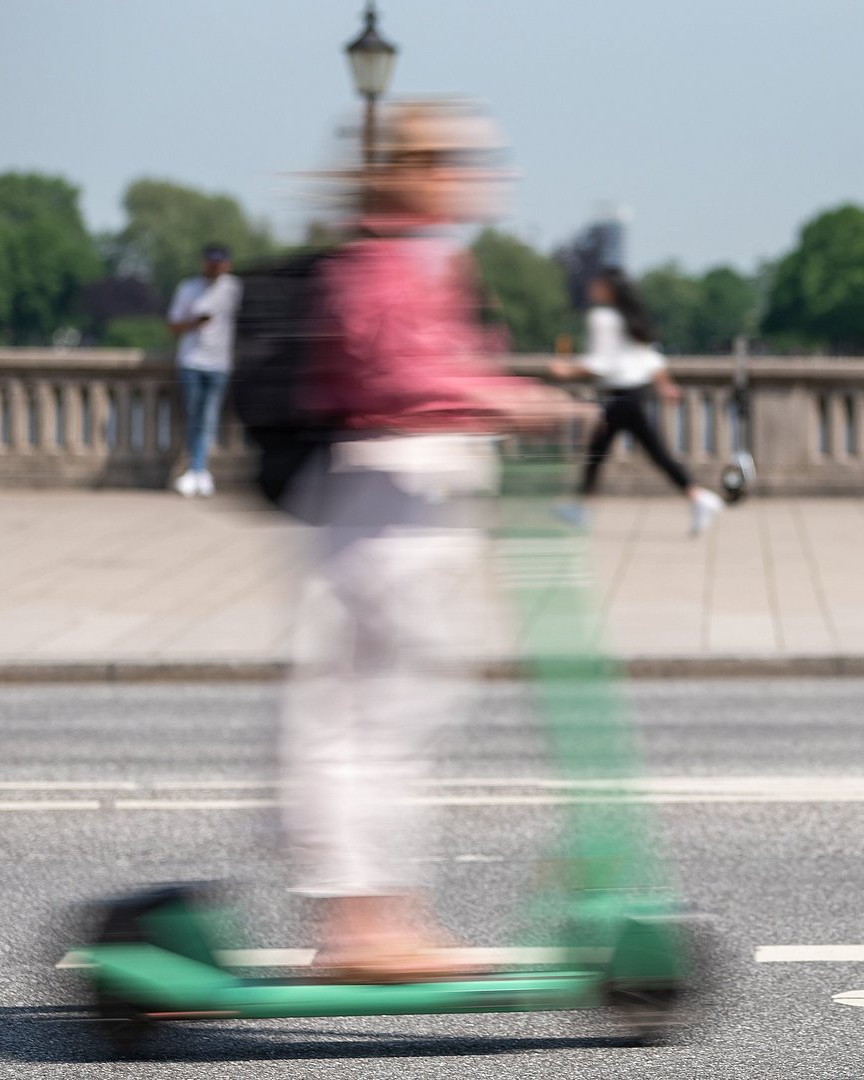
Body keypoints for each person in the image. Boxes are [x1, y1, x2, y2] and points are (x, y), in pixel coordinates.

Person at [280, 99, 588, 982]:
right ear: (424, 170)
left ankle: (371, 916)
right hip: (400, 500)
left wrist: (499, 388)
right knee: (390, 710)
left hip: (385, 498)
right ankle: (368, 925)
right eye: (469, 161)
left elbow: (397, 366)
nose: (487, 177)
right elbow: (399, 372)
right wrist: (508, 398)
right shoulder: (390, 263)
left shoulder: (384, 257)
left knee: (364, 710)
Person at [550, 268, 724, 536]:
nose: (590, 286)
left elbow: (602, 363)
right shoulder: (629, 317)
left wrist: (567, 370)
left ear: (608, 287)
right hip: (635, 394)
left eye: (596, 282)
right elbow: (650, 358)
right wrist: (665, 386)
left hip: (621, 395)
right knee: (651, 452)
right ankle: (696, 496)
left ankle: (582, 508)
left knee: (600, 451)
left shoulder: (603, 317)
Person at [165, 244, 242, 497]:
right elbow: (173, 325)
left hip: (220, 363)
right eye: (211, 262)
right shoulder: (188, 289)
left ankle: (198, 469)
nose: (215, 267)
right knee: (193, 417)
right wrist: (194, 324)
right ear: (204, 263)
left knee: (208, 419)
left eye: (219, 263)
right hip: (191, 362)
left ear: (226, 264)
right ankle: (196, 470)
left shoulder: (234, 289)